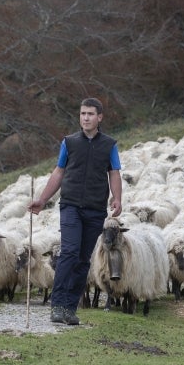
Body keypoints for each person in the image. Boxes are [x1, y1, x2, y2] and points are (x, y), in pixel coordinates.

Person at [28, 97, 122, 326]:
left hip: (95, 208)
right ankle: (57, 305)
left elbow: (114, 173)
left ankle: (69, 308)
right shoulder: (69, 143)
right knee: (69, 252)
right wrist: (42, 199)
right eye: (82, 114)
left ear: (99, 117)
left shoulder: (109, 145)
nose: (86, 118)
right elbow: (58, 172)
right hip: (70, 205)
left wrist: (117, 198)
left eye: (90, 114)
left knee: (82, 260)